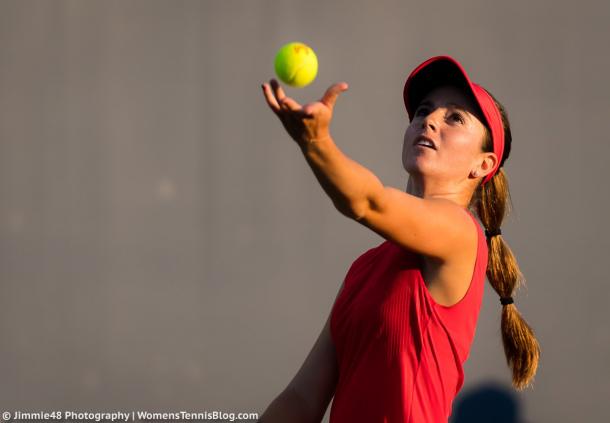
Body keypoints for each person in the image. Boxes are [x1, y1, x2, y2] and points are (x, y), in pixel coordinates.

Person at [259, 55, 540, 423]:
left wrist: (317, 142)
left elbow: (367, 202)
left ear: (483, 165)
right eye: (423, 110)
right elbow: (302, 397)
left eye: (455, 117)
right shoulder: (365, 268)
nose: (431, 119)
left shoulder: (461, 234)